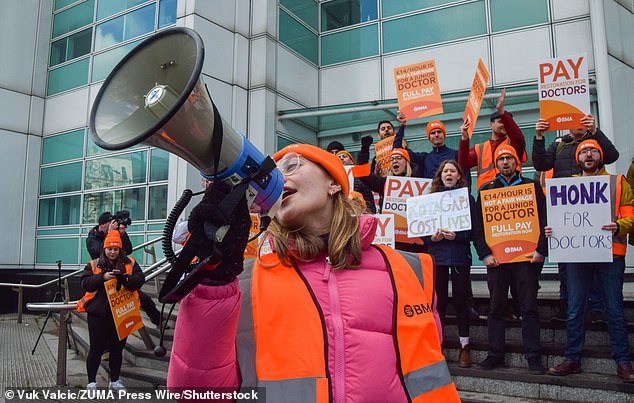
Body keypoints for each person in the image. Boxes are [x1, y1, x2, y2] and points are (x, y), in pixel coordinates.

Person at [167, 144, 460, 401]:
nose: (279, 177)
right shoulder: (241, 281)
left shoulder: (411, 270)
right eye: (273, 173)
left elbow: (430, 381)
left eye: (292, 165)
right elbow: (196, 394)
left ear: (334, 183)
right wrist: (211, 282)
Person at [547, 140, 634, 383]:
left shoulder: (618, 183)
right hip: (577, 256)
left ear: (601, 156)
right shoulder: (566, 187)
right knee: (575, 310)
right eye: (583, 151)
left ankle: (623, 362)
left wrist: (618, 226)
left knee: (614, 310)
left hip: (611, 255)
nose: (588, 154)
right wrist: (552, 231)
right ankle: (572, 358)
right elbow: (557, 218)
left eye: (593, 150)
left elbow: (630, 217)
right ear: (577, 159)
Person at [533, 114, 618, 322]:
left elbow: (612, 155)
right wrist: (539, 137)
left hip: (594, 208)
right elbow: (541, 164)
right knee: (565, 261)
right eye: (574, 122)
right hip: (566, 211)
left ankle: (597, 308)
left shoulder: (595, 143)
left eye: (582, 123)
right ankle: (566, 304)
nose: (578, 126)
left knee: (596, 256)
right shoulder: (559, 144)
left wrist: (596, 131)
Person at [473, 145, 547, 374]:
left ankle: (533, 356)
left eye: (509, 158)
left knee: (528, 308)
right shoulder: (486, 190)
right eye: (501, 159)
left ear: (517, 163)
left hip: (526, 259)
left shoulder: (532, 187)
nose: (505, 162)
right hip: (497, 261)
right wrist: (484, 254)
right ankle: (495, 354)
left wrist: (541, 251)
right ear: (497, 164)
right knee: (496, 309)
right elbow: (478, 228)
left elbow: (545, 219)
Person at [77, 229, 145, 390]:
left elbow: (139, 280)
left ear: (120, 249)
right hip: (98, 315)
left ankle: (115, 380)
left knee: (117, 350)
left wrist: (123, 278)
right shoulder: (93, 264)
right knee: (95, 349)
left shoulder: (131, 263)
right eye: (110, 249)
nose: (113, 252)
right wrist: (103, 278)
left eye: (116, 249)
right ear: (104, 249)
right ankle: (91, 383)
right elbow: (85, 283)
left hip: (122, 314)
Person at [423, 160, 475, 368]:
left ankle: (465, 346)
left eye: (453, 170)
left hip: (460, 257)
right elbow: (422, 232)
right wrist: (431, 239)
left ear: (459, 176)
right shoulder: (429, 200)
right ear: (440, 176)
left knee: (462, 302)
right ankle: (438, 346)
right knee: (439, 303)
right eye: (445, 171)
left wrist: (458, 236)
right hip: (438, 258)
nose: (449, 174)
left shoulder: (468, 200)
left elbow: (474, 231)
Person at [86, 211, 165, 329]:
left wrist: (122, 234)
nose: (114, 225)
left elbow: (128, 250)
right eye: (111, 223)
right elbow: (98, 252)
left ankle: (159, 321)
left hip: (121, 276)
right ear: (102, 224)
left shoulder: (116, 233)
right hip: (102, 279)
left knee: (144, 299)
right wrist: (111, 234)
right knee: (106, 312)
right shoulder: (92, 238)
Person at [458, 89, 527, 191]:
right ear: (491, 125)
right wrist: (464, 139)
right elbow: (463, 164)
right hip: (487, 197)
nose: (505, 125)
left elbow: (518, 138)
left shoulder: (512, 144)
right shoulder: (479, 148)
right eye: (501, 122)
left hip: (512, 193)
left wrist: (502, 112)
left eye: (507, 122)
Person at [336, 149, 376, 213]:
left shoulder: (360, 178)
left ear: (352, 161)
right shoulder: (333, 180)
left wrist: (369, 213)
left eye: (344, 156)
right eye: (339, 158)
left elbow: (368, 198)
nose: (341, 158)